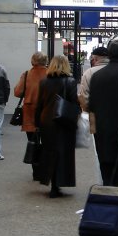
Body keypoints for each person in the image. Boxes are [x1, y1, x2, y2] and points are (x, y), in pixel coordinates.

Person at [88, 40, 118, 187]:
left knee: (106, 168)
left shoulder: (97, 76)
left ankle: (108, 193)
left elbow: (92, 105)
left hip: (102, 132)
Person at [34, 55, 79, 198]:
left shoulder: (44, 82)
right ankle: (59, 183)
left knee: (49, 152)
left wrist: (37, 123)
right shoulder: (70, 81)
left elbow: (39, 104)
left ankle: (52, 184)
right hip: (64, 121)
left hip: (46, 121)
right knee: (63, 153)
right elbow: (74, 102)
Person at [13, 51, 48, 181]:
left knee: (33, 142)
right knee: (47, 142)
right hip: (46, 112)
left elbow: (17, 92)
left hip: (30, 113)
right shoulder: (50, 74)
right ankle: (46, 170)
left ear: (33, 61)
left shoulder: (27, 74)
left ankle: (36, 172)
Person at [77, 46, 109, 134]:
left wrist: (87, 111)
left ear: (95, 59)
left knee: (98, 139)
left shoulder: (89, 73)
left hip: (95, 116)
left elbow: (84, 96)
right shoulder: (117, 70)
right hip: (115, 117)